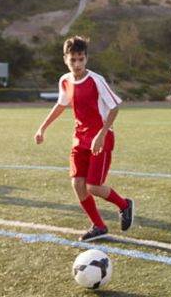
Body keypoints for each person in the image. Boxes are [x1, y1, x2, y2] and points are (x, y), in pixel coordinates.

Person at [34, 35, 134, 242]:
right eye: (73, 60)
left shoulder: (96, 80)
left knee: (94, 186)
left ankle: (124, 205)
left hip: (101, 137)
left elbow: (115, 107)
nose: (77, 64)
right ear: (65, 59)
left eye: (81, 59)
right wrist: (42, 128)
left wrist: (102, 133)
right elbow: (61, 104)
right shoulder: (64, 80)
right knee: (77, 184)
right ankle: (98, 225)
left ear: (86, 58)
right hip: (79, 137)